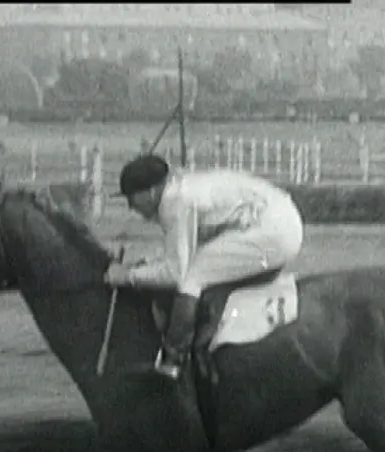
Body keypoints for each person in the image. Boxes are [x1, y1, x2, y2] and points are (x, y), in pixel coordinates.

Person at [106, 153, 305, 380]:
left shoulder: (176, 202)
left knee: (192, 278)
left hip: (273, 230)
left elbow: (175, 272)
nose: (131, 208)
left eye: (132, 199)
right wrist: (144, 264)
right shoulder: (178, 191)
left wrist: (128, 276)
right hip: (276, 219)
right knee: (200, 264)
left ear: (150, 192)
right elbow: (182, 248)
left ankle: (173, 359)